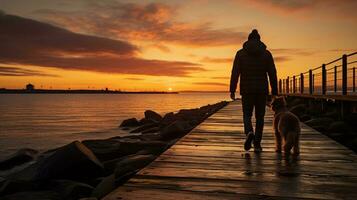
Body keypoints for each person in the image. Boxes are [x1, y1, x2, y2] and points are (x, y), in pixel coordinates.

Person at [229, 29, 278, 152]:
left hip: (247, 90)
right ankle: (257, 144)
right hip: (262, 90)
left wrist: (232, 89)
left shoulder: (240, 54)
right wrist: (275, 91)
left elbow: (235, 73)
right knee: (260, 117)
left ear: (249, 39)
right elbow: (272, 73)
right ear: (259, 39)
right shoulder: (266, 54)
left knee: (247, 114)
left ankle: (249, 132)